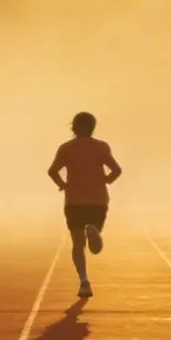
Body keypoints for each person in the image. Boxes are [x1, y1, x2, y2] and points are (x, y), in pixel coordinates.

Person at [47, 112, 122, 299]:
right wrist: (106, 180)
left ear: (73, 127)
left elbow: (52, 171)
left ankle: (84, 281)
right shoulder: (101, 147)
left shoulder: (66, 148)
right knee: (95, 247)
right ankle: (93, 229)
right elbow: (117, 170)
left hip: (74, 200)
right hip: (98, 199)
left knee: (78, 244)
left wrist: (63, 185)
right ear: (93, 127)